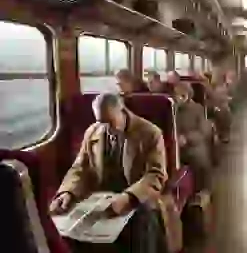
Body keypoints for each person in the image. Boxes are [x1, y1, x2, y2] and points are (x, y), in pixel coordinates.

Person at [49, 93, 168, 252]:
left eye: (110, 122)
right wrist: (67, 192)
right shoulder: (93, 132)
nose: (107, 128)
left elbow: (155, 174)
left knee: (143, 221)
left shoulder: (150, 133)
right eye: (101, 122)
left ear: (122, 111)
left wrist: (128, 197)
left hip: (137, 199)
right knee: (66, 223)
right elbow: (80, 168)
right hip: (100, 196)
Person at [173, 82, 212, 192]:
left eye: (182, 95)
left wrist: (187, 138)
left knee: (199, 159)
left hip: (192, 144)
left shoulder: (197, 109)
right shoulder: (170, 109)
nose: (179, 98)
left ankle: (202, 190)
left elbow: (203, 131)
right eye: (176, 94)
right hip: (173, 143)